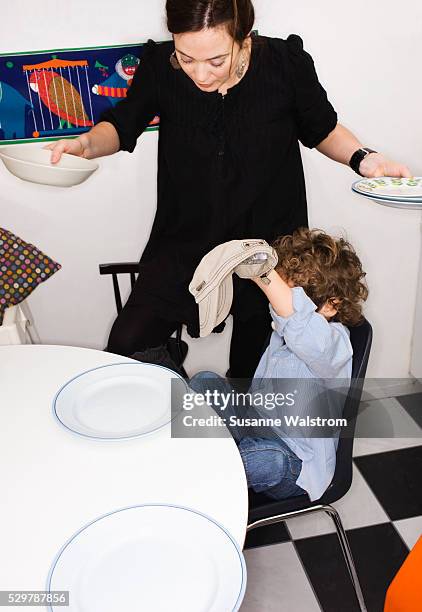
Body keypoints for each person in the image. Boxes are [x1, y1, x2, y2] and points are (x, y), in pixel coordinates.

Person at [46, 0, 408, 380]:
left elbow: (324, 130)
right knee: (128, 345)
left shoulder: (284, 65)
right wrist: (86, 145)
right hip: (185, 240)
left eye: (215, 61)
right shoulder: (159, 67)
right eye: (186, 58)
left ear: (243, 37)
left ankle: (236, 433)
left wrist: (363, 159)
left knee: (251, 373)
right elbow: (121, 126)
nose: (200, 75)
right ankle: (183, 406)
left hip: (268, 250)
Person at [189, 227, 368, 501]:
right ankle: (219, 458)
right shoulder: (283, 332)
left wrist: (264, 273)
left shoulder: (334, 345)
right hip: (255, 424)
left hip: (294, 461)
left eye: (292, 295)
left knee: (267, 459)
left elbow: (301, 326)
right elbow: (292, 323)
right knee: (204, 382)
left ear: (332, 305)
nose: (279, 304)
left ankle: (196, 475)